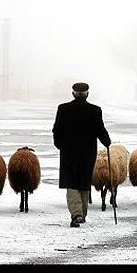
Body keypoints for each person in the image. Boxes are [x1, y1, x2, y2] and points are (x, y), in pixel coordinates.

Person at [52, 82, 111, 228]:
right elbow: (100, 130)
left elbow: (57, 130)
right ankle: (81, 214)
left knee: (71, 183)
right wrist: (107, 142)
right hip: (87, 153)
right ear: (87, 94)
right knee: (84, 182)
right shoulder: (95, 110)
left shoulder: (63, 109)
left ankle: (77, 214)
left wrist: (60, 145)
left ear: (73, 94)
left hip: (68, 153)